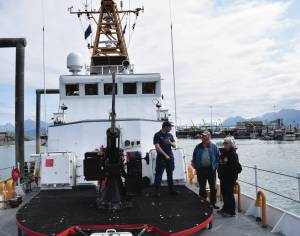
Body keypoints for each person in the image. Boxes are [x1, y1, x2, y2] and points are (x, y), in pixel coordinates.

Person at [192, 131, 219, 209]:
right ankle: (202, 202)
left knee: (213, 187)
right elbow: (194, 156)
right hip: (201, 170)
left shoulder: (214, 147)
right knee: (202, 187)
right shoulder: (198, 146)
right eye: (202, 136)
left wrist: (216, 166)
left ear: (209, 137)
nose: (202, 137)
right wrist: (194, 164)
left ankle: (213, 203)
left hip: (211, 170)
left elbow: (218, 157)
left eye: (204, 136)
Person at [217, 136, 242, 217]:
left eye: (226, 143)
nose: (224, 145)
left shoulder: (233, 154)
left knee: (229, 194)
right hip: (223, 177)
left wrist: (231, 176)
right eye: (224, 143)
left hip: (229, 178)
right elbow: (220, 164)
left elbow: (237, 168)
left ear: (231, 145)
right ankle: (225, 208)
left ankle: (231, 211)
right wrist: (220, 173)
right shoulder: (223, 153)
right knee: (224, 193)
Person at [153, 121, 178, 197]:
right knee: (159, 175)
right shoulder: (157, 135)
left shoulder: (170, 135)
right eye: (170, 127)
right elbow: (157, 147)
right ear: (166, 127)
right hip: (161, 158)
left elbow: (174, 146)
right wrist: (165, 155)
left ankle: (171, 190)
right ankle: (157, 191)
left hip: (170, 157)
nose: (171, 129)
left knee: (170, 174)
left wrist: (170, 142)